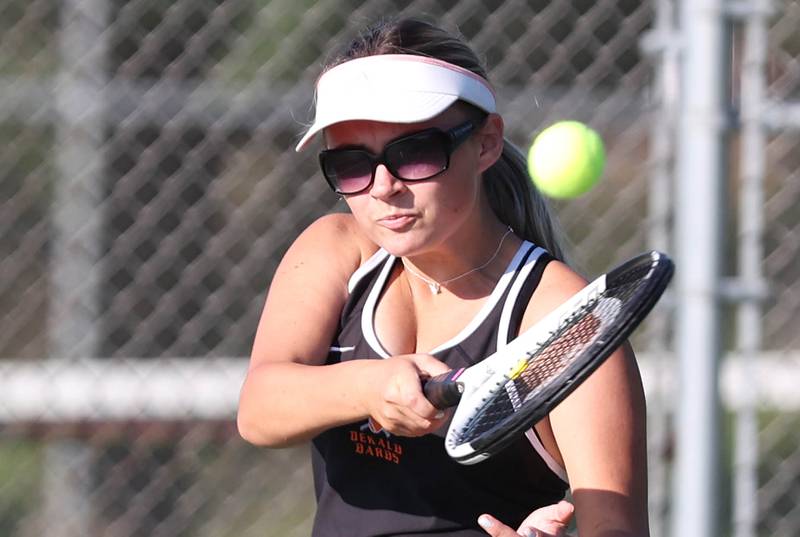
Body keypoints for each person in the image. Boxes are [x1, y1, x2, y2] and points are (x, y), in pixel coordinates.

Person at [237, 17, 648, 537]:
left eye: (414, 153)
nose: (382, 187)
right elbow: (259, 409)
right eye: (351, 163)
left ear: (485, 143)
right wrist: (371, 387)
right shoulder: (336, 249)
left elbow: (616, 528)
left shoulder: (561, 314)